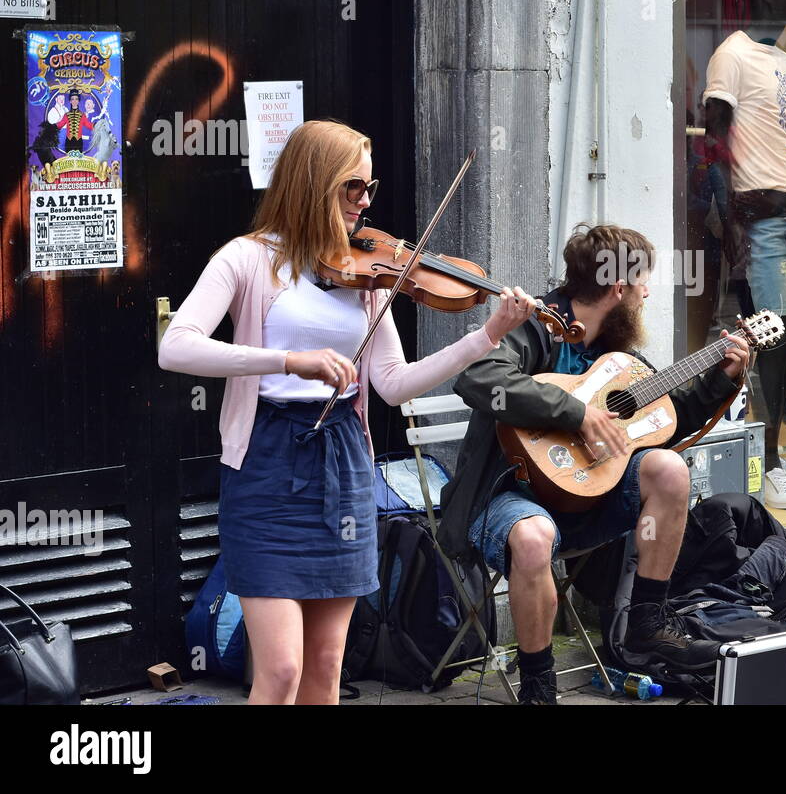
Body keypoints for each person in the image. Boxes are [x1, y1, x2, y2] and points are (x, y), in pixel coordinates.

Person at [158, 119, 536, 704]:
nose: (365, 201)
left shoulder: (368, 277)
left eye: (369, 187)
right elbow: (176, 345)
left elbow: (392, 385)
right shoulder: (248, 259)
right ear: (312, 185)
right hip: (265, 461)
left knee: (327, 667)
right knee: (280, 670)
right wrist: (289, 361)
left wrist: (486, 334)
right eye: (351, 188)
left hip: (344, 463)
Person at [437, 224, 751, 704]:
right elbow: (478, 379)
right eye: (642, 281)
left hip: (589, 497)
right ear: (618, 287)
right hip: (505, 494)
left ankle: (648, 621)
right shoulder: (535, 325)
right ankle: (539, 685)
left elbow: (666, 419)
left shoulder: (615, 353)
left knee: (668, 469)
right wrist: (577, 413)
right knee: (534, 535)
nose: (647, 292)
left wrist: (721, 379)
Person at [702, 0, 786, 510]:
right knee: (769, 337)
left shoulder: (783, 59)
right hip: (761, 215)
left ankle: (775, 452)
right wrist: (729, 218)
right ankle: (766, 462)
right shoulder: (730, 55)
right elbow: (712, 141)